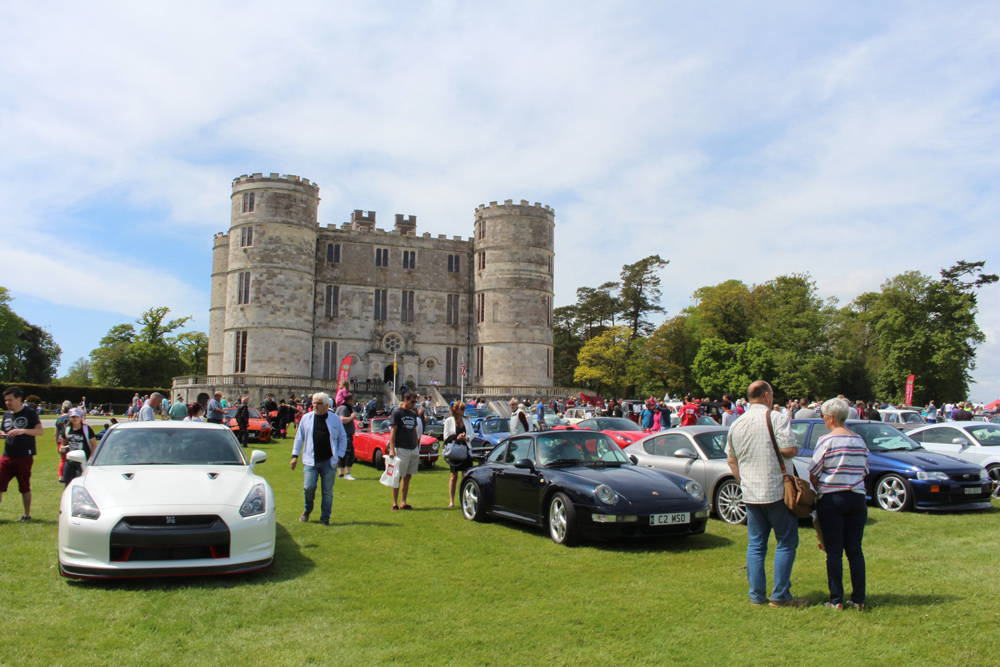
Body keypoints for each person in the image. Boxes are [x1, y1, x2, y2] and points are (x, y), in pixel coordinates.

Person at [725, 381, 806, 608]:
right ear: (768, 396)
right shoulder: (778, 418)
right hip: (777, 491)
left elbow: (731, 460)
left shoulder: (737, 423)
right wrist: (796, 448)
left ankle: (756, 596)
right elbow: (788, 450)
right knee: (786, 542)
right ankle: (780, 595)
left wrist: (744, 482)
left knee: (756, 545)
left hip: (751, 493)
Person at [809, 397, 869, 610]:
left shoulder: (826, 440)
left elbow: (814, 471)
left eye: (824, 415)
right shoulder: (859, 440)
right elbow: (864, 470)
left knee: (834, 551)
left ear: (831, 417)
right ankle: (859, 600)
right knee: (855, 550)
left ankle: (836, 600)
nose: (823, 419)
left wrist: (816, 489)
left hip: (832, 497)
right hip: (856, 498)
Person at [291, 392, 347, 525]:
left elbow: (342, 438)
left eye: (318, 403)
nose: (315, 406)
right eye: (314, 403)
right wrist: (294, 456)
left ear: (327, 405)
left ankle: (325, 518)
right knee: (308, 488)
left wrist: (339, 455)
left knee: (327, 492)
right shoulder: (306, 418)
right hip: (311, 460)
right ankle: (307, 509)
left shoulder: (334, 419)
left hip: (329, 461)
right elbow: (299, 438)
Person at [0, 386, 44, 522]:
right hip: (7, 455)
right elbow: (4, 430)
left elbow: (39, 431)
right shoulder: (7, 414)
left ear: (18, 399)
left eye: (10, 400)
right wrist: (2, 434)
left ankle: (27, 514)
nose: (7, 403)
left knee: (24, 486)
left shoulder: (29, 413)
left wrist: (23, 431)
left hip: (24, 456)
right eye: (5, 400)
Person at [387, 391, 423, 511]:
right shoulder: (397, 412)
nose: (414, 404)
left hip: (412, 448)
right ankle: (394, 503)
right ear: (405, 399)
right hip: (401, 447)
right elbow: (393, 431)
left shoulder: (413, 414)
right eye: (412, 401)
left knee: (408, 477)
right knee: (398, 476)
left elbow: (414, 430)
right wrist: (392, 449)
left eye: (415, 402)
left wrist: (417, 447)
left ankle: (403, 502)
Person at [443, 400, 474, 508]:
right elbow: (446, 437)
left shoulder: (467, 420)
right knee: (453, 476)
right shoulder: (449, 421)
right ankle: (451, 500)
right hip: (454, 449)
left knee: (466, 475)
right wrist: (457, 437)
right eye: (462, 409)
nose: (464, 411)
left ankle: (464, 498)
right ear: (456, 410)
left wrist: (465, 438)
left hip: (465, 449)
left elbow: (472, 434)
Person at [58, 408, 99, 485]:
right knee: (68, 484)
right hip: (70, 461)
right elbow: (63, 444)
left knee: (81, 484)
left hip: (83, 462)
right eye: (73, 417)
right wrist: (62, 448)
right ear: (69, 417)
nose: (75, 418)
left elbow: (94, 445)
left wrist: (90, 459)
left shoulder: (87, 429)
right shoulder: (67, 429)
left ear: (81, 417)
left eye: (77, 416)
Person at [336, 393, 357, 480]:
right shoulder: (344, 408)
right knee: (349, 453)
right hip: (344, 435)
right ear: (350, 400)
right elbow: (342, 420)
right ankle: (347, 473)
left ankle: (341, 474)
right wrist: (352, 416)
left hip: (345, 434)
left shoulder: (342, 407)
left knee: (343, 454)